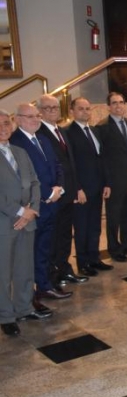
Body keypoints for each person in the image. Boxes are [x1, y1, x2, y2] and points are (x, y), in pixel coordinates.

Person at [9, 104, 69, 303]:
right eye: (30, 116)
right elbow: (25, 176)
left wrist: (58, 188)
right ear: (18, 119)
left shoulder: (42, 138)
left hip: (52, 203)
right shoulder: (15, 142)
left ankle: (45, 285)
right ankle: (31, 293)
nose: (36, 119)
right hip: (33, 206)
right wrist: (47, 193)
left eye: (37, 116)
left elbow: (57, 165)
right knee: (31, 252)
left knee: (46, 248)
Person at [0, 109, 46, 336]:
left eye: (6, 123)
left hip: (27, 220)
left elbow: (35, 182)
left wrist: (31, 210)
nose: (3, 128)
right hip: (5, 223)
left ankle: (24, 307)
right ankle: (6, 316)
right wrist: (20, 211)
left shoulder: (20, 151)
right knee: (3, 273)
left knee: (24, 268)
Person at [36, 95, 84, 288]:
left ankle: (64, 269)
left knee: (65, 235)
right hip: (53, 195)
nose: (53, 111)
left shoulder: (61, 131)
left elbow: (70, 163)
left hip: (68, 193)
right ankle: (52, 276)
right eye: (47, 108)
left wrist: (76, 188)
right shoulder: (39, 133)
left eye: (55, 107)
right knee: (52, 239)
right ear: (40, 112)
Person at [65, 97, 111, 276]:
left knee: (95, 226)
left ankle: (94, 258)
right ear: (72, 111)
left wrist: (106, 183)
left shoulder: (94, 130)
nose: (85, 112)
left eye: (87, 108)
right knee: (82, 228)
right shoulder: (68, 132)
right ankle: (83, 263)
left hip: (97, 186)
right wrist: (77, 188)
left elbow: (102, 158)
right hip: (82, 190)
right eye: (81, 108)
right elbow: (70, 164)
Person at [96, 92, 127, 261]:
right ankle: (114, 249)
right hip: (114, 180)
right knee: (114, 217)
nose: (118, 106)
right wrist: (107, 181)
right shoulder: (102, 127)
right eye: (114, 103)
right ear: (108, 106)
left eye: (121, 102)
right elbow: (102, 157)